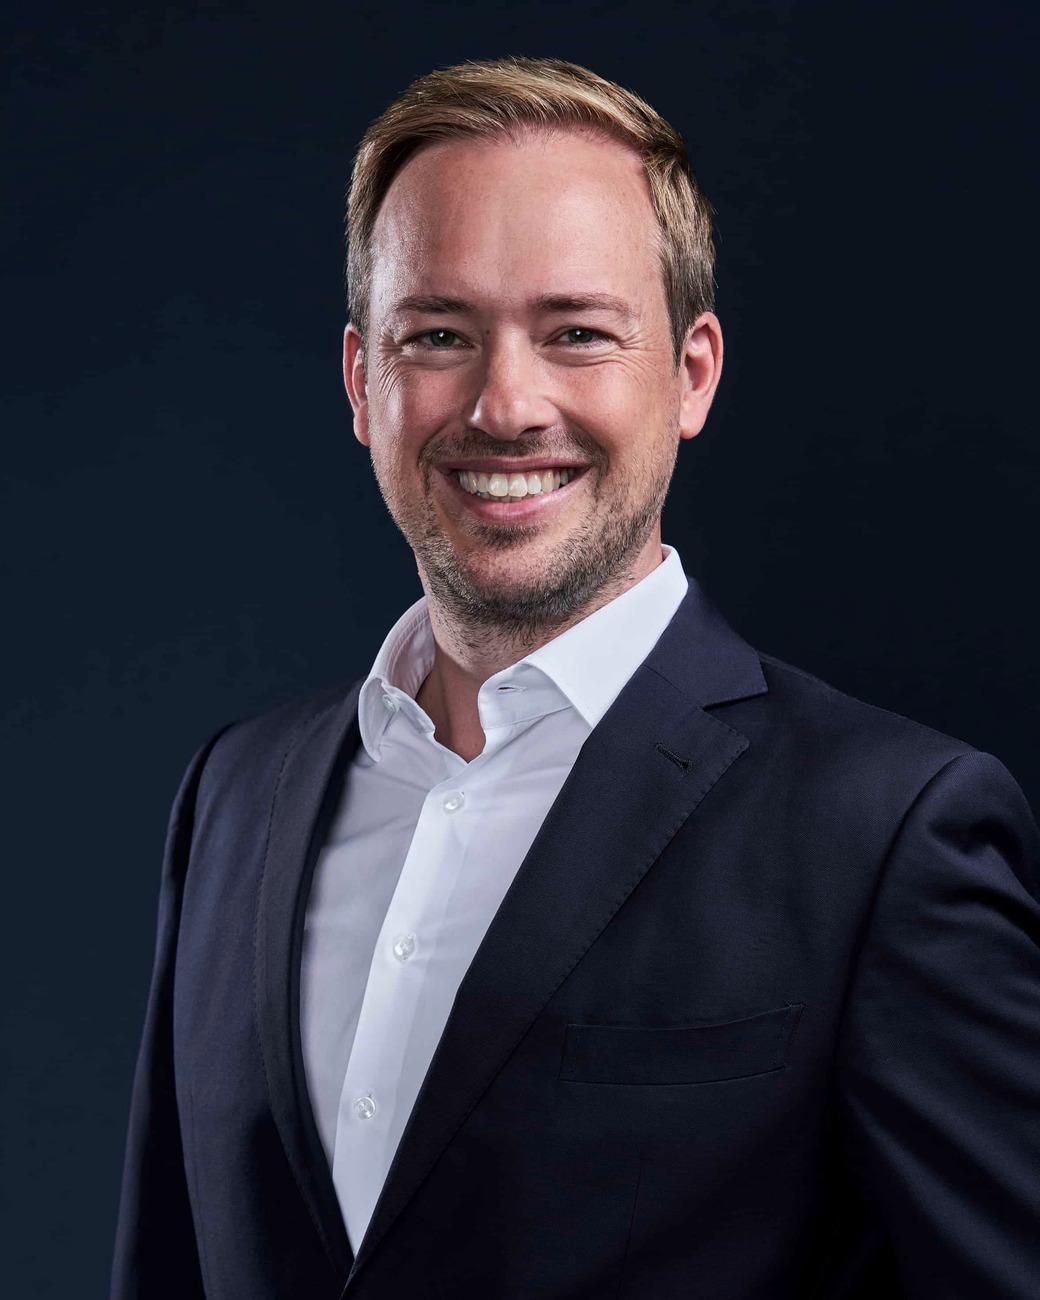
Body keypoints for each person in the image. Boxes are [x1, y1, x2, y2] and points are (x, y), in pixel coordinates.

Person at [110, 56, 1040, 1300]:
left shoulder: (881, 835)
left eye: (576, 334)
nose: (505, 404)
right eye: (437, 335)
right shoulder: (232, 796)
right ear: (361, 382)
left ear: (691, 373)